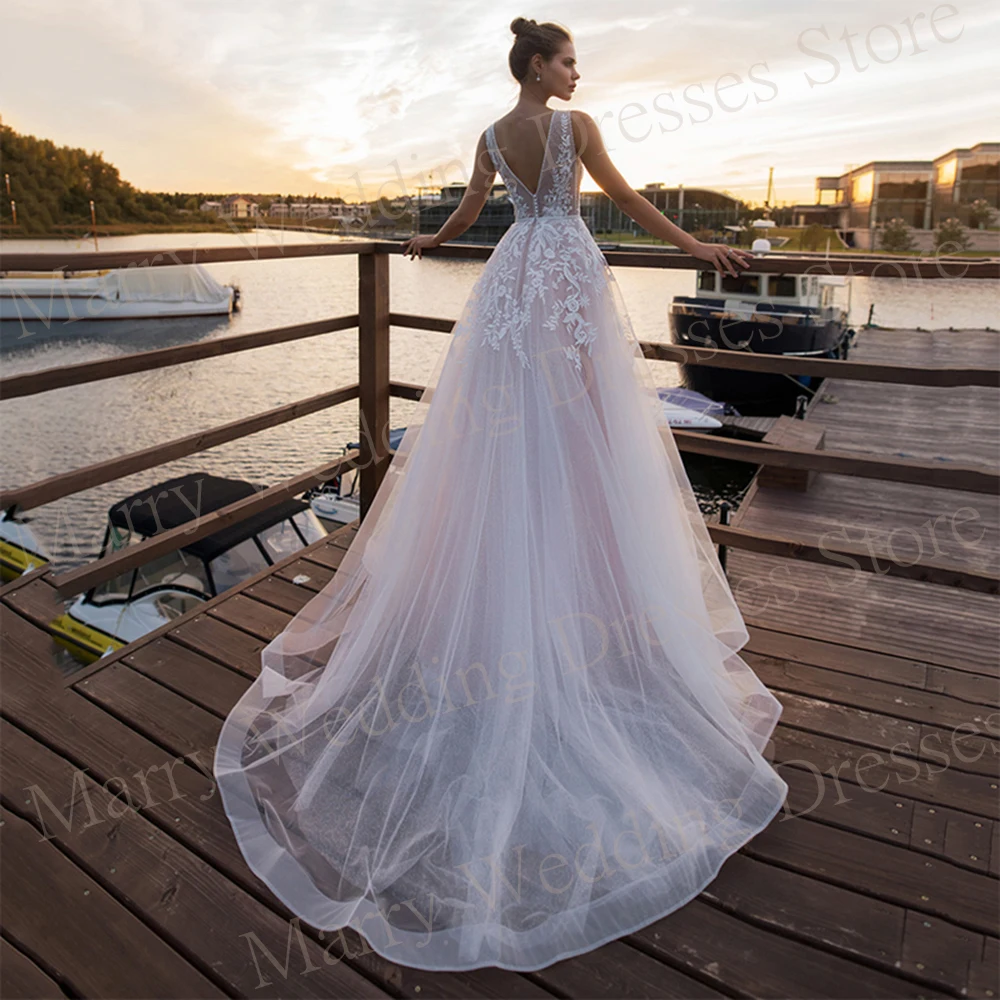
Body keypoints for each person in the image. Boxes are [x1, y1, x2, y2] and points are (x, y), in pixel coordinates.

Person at [214, 16, 788, 973]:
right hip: (565, 275)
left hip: (513, 280)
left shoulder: (491, 135)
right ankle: (592, 618)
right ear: (538, 66)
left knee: (505, 446)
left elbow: (475, 214)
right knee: (584, 442)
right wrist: (699, 245)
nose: (576, 69)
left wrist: (423, 239)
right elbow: (626, 199)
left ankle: (516, 611)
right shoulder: (578, 128)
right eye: (566, 57)